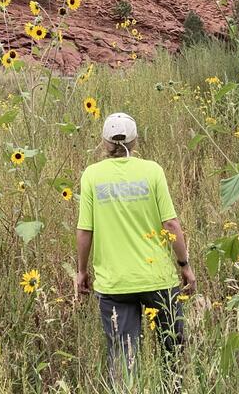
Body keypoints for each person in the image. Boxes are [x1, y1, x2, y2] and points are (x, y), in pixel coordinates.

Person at [76, 112, 195, 386]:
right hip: (159, 280)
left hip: (115, 284)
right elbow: (171, 224)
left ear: (104, 142)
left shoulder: (92, 175)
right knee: (173, 355)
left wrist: (81, 271)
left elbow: (85, 230)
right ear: (136, 140)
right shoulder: (152, 171)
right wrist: (184, 265)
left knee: (124, 363)